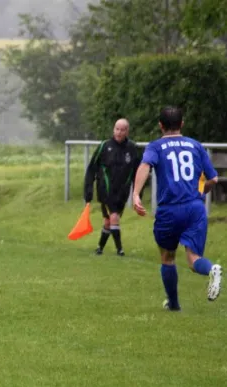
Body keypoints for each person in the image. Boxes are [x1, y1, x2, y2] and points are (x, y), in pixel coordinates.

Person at [133, 106, 222, 311]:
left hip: (169, 210)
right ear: (182, 124)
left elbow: (145, 166)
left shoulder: (155, 147)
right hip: (195, 208)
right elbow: (214, 179)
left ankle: (173, 304)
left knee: (168, 257)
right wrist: (201, 193)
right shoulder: (195, 145)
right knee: (193, 259)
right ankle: (211, 269)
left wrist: (136, 194)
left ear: (160, 125)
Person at [83, 118, 141, 256]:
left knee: (109, 221)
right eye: (117, 129)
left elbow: (138, 172)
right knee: (114, 216)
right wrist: (88, 191)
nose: (119, 132)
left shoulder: (132, 148)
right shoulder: (105, 146)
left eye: (122, 130)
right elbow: (91, 169)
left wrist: (138, 194)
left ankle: (100, 248)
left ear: (127, 131)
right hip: (105, 190)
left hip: (122, 191)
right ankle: (120, 250)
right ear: (113, 129)